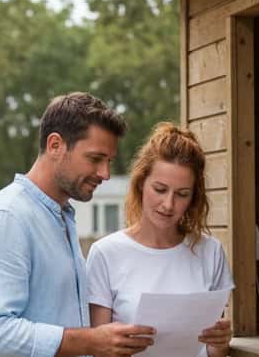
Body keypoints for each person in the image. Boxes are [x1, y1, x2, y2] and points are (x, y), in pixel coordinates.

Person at [0, 92, 156, 357]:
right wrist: (90, 341)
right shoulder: (6, 218)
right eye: (95, 158)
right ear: (55, 146)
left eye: (108, 161)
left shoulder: (60, 217)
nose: (105, 174)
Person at [86, 122, 235, 357]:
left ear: (193, 197)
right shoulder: (105, 253)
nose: (168, 204)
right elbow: (98, 350)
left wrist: (219, 346)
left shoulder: (211, 252)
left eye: (182, 194)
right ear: (140, 184)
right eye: (160, 189)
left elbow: (211, 351)